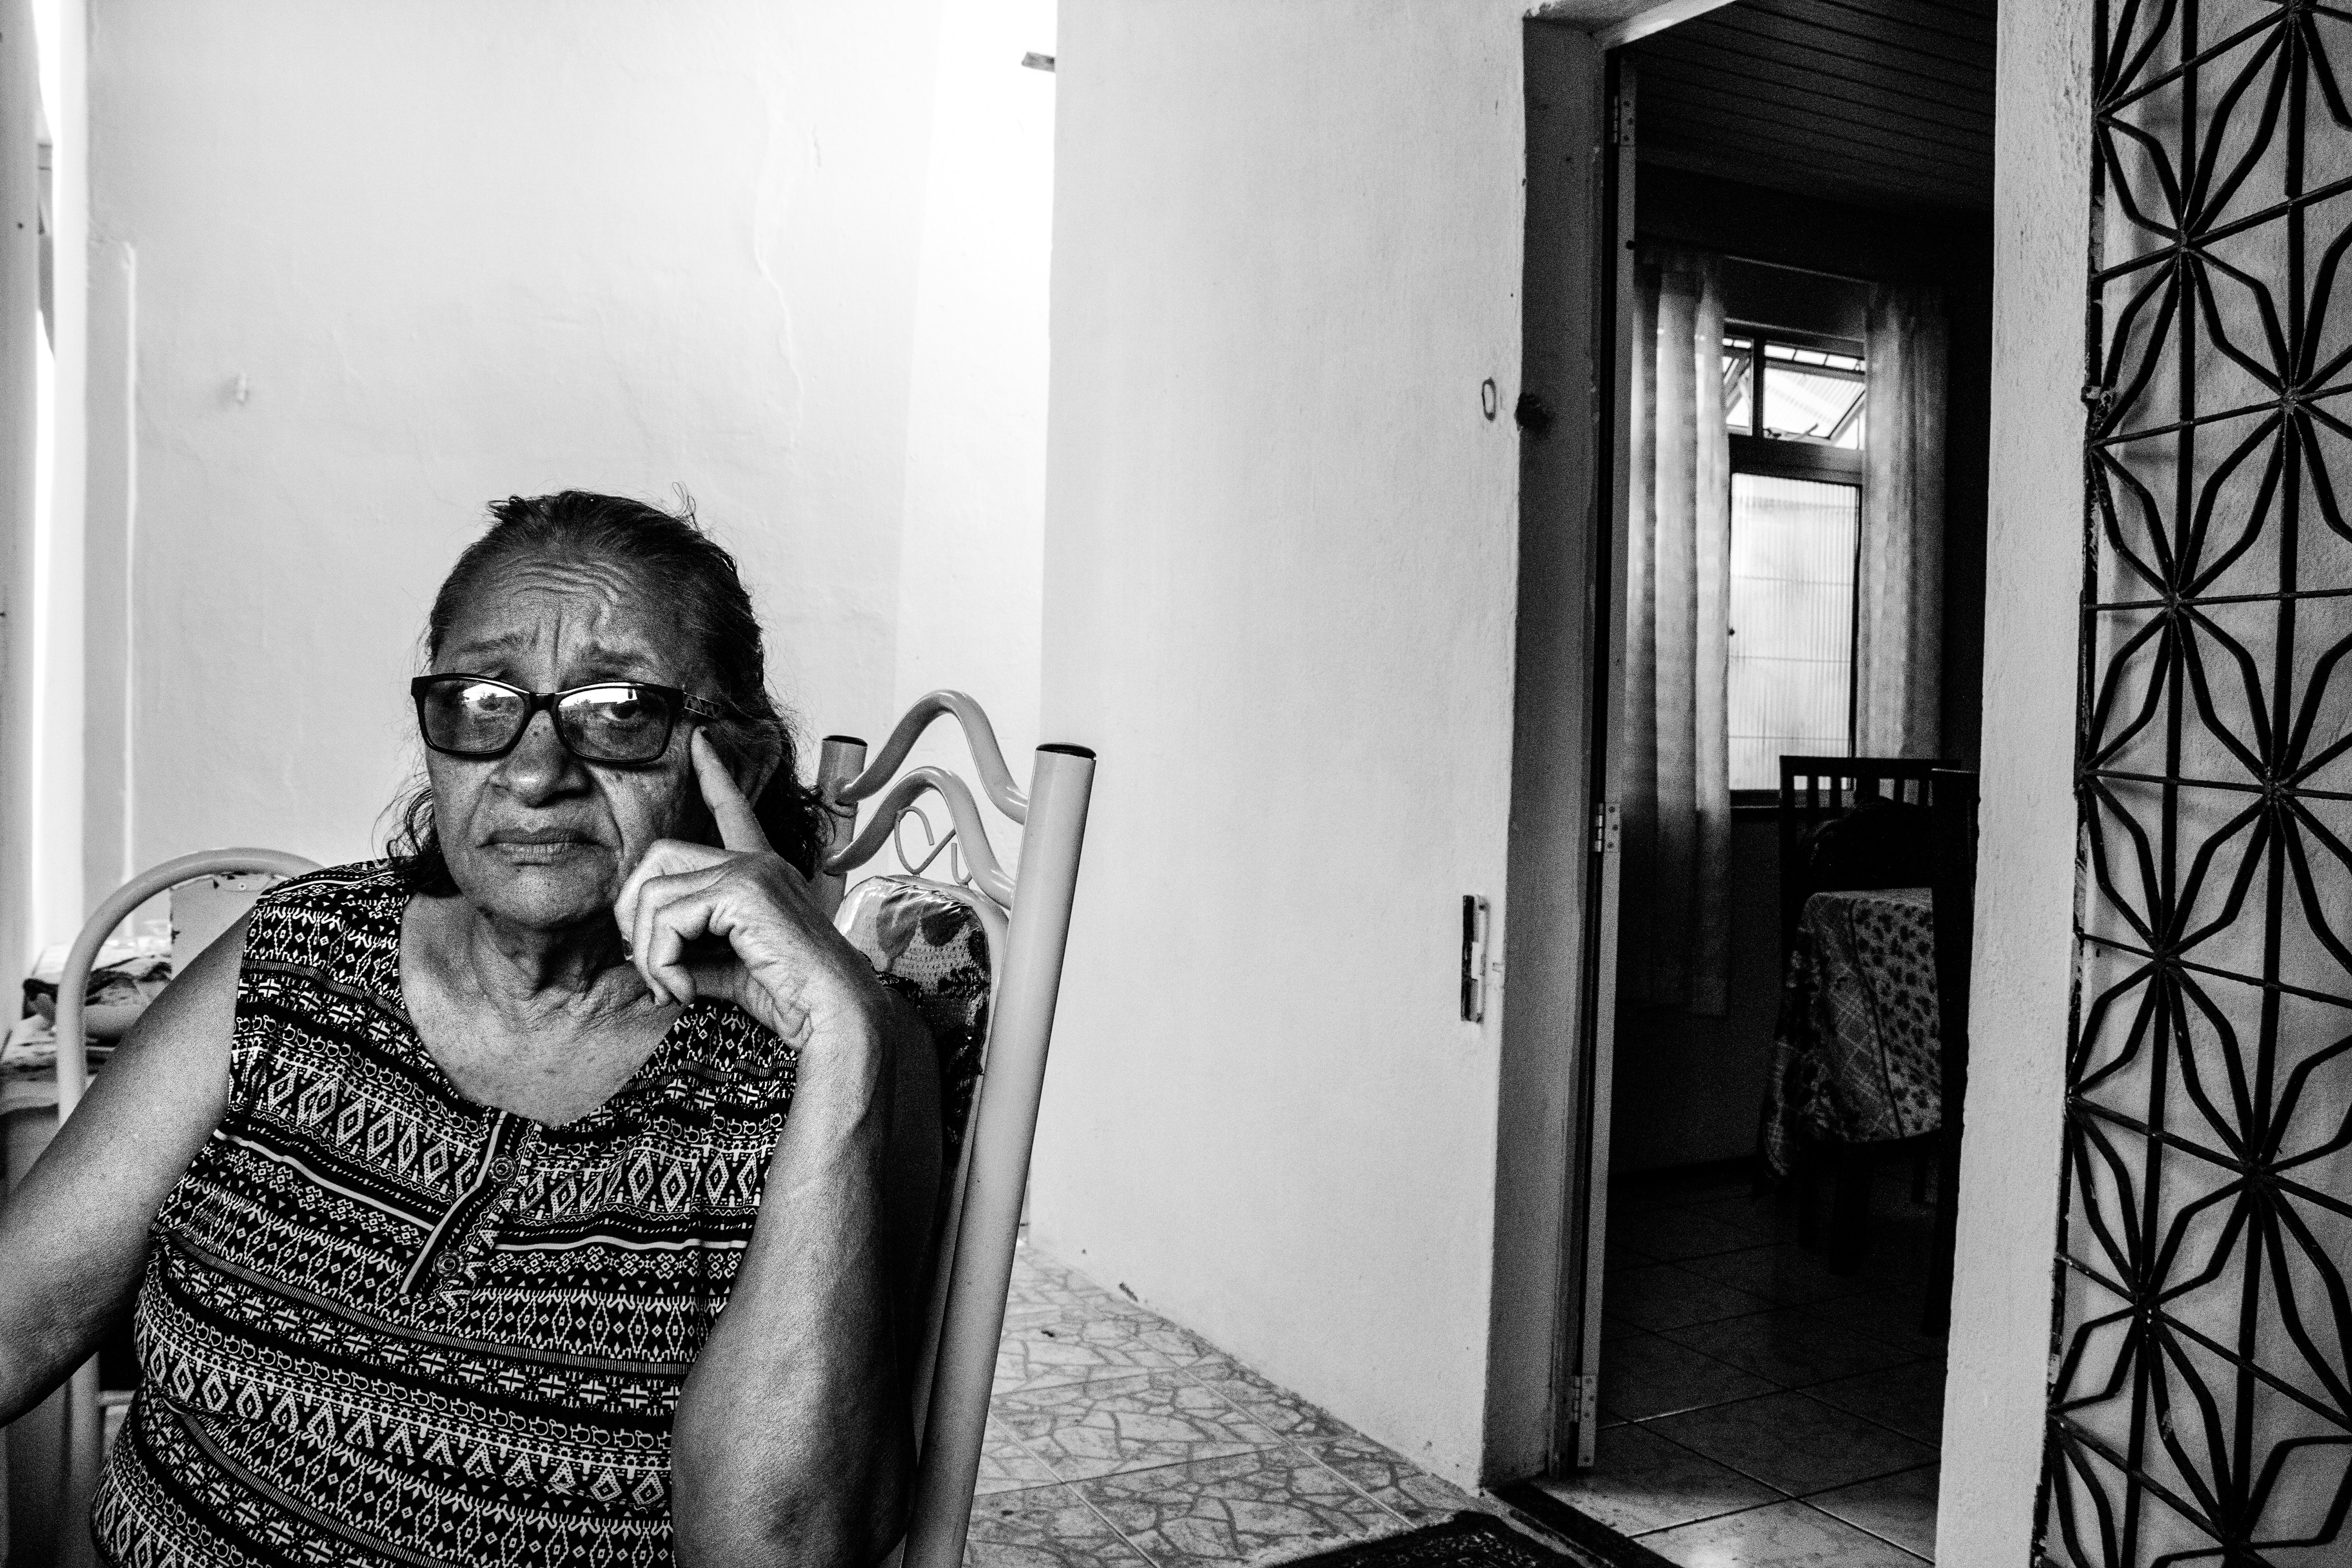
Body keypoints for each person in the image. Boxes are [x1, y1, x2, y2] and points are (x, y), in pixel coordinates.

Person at [0, 491, 941, 1566]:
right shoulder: (298, 954)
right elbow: (21, 1318)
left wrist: (846, 1042)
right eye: (483, 703)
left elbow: (778, 1550)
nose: (535, 774)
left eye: (619, 710)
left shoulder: (835, 1059)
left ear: (744, 762)